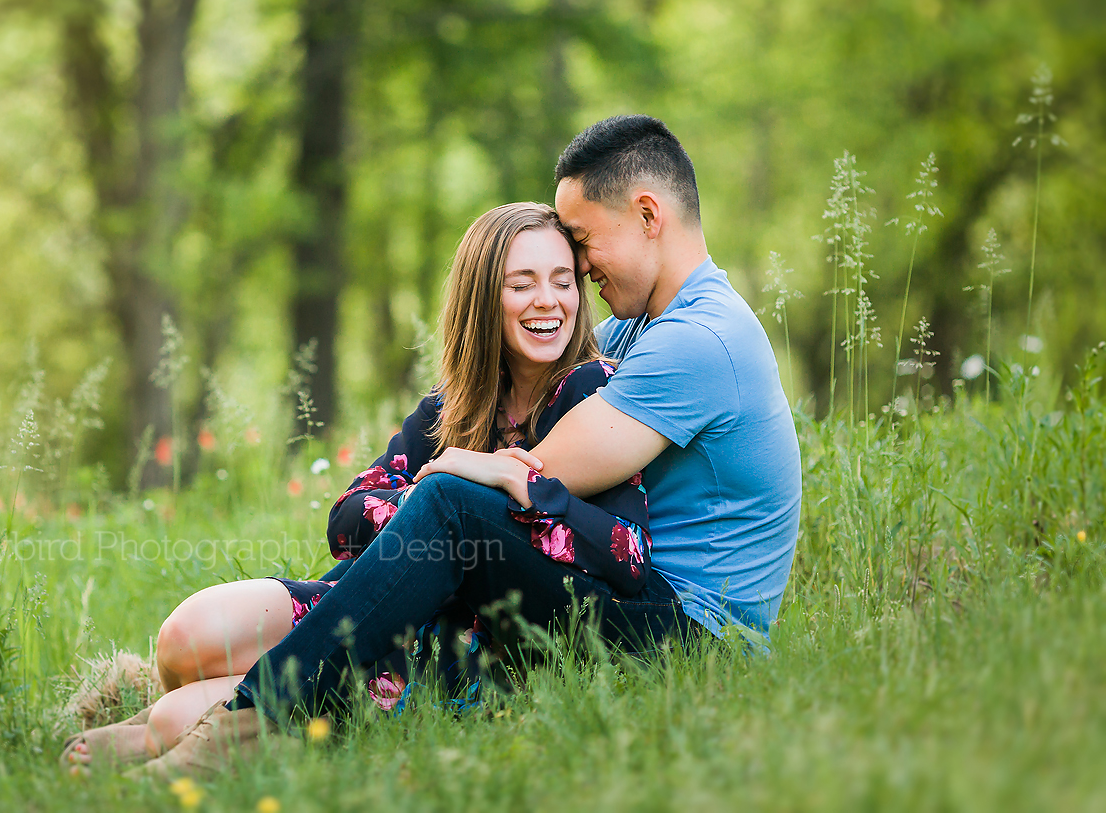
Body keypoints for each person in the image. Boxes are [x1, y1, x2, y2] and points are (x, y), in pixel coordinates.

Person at [140, 114, 801, 778]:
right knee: (444, 513)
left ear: (648, 214)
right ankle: (241, 705)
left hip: (692, 638)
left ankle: (248, 716)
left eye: (583, 243)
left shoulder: (699, 339)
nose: (580, 270)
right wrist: (451, 465)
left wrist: (454, 467)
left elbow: (531, 475)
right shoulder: (645, 329)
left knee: (453, 506)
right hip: (624, 604)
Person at [62, 201, 648, 771]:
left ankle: (182, 732)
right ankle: (197, 718)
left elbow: (626, 554)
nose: (547, 300)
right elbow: (346, 521)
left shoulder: (592, 391)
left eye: (563, 281)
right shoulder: (450, 410)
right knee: (187, 637)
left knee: (176, 719)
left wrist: (506, 486)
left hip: (471, 638)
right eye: (522, 284)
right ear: (483, 298)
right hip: (380, 600)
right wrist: (443, 479)